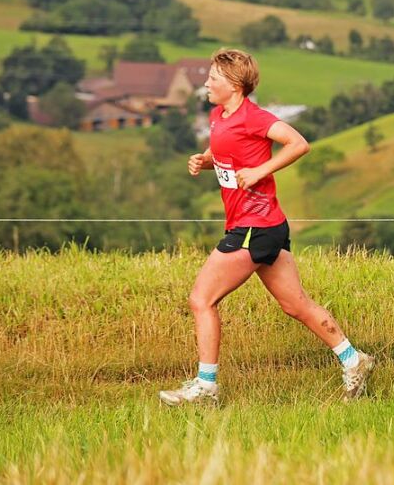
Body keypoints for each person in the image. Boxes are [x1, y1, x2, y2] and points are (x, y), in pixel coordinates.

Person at [159, 48, 375, 406]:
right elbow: (229, 152)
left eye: (214, 77)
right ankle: (355, 360)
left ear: (235, 84)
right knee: (297, 305)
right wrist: (206, 161)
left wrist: (262, 172)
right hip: (268, 227)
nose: (207, 82)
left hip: (252, 229)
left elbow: (299, 143)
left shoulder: (254, 117)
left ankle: (206, 387)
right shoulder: (218, 115)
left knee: (201, 299)